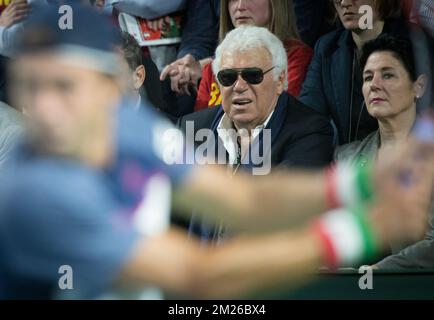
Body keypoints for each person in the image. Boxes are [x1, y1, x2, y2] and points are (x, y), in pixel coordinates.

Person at [0, 4, 431, 299]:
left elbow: (242, 198)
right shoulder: (40, 193)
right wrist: (361, 230)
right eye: (33, 85)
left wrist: (358, 181)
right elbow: (199, 274)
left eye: (67, 83)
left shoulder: (129, 129)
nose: (48, 104)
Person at [336, 34, 434, 268]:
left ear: (418, 86)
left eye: (387, 75)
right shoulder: (345, 157)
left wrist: (379, 272)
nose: (375, 85)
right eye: (368, 77)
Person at [179, 27, 333, 173]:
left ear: (279, 80)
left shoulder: (309, 131)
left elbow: (287, 199)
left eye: (253, 76)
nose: (239, 86)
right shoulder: (190, 129)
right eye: (228, 77)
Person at [162, 0, 313, 112]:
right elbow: (201, 130)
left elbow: (281, 118)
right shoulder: (211, 68)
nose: (240, 6)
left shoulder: (295, 56)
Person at [299, 0, 408, 145]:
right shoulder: (327, 48)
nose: (344, 2)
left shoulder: (414, 45)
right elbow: (307, 115)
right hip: (348, 160)